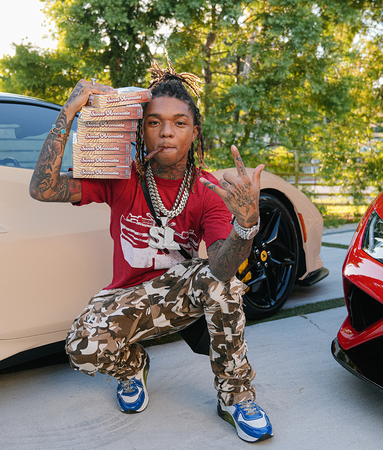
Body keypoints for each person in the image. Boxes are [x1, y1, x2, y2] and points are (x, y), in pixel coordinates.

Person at [29, 60, 273, 443]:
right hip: (128, 297)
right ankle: (133, 366)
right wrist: (68, 112)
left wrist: (245, 225)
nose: (166, 133)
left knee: (220, 285)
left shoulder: (208, 190)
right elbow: (42, 189)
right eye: (154, 122)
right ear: (141, 130)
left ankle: (235, 396)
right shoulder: (120, 177)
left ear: (194, 132)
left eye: (179, 123)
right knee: (80, 346)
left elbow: (223, 269)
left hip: (180, 295)